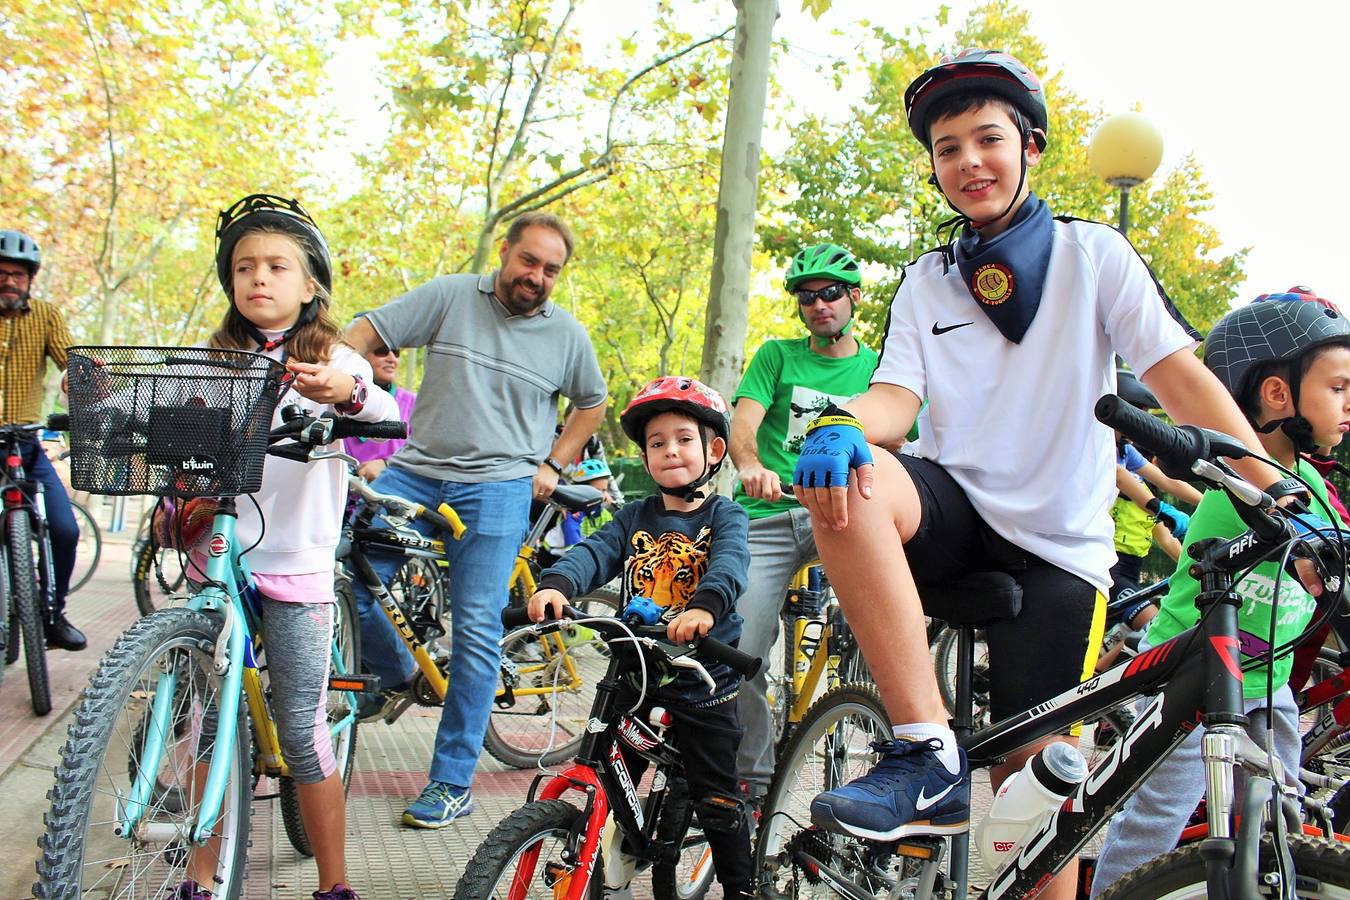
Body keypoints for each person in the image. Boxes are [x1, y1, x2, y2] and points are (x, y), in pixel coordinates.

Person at [789, 49, 1287, 899]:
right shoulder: (924, 281)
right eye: (947, 149)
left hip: (1062, 551)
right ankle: (924, 752)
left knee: (1041, 815)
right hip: (955, 508)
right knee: (847, 479)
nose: (968, 162)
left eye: (987, 139)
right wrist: (840, 423)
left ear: (1031, 146)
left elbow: (1181, 379)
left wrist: (1274, 488)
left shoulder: (1096, 254)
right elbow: (894, 403)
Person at [344, 211, 608, 829]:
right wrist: (333, 374)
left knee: (475, 630)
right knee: (351, 582)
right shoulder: (451, 296)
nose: (537, 276)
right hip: (416, 472)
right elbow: (367, 329)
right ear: (505, 253)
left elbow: (593, 403)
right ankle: (396, 669)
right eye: (529, 261)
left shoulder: (567, 336)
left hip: (498, 486)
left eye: (551, 269)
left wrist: (554, 462)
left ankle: (451, 781)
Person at [172, 194, 399, 900]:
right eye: (244, 267)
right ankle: (200, 881)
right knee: (207, 727)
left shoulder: (331, 358)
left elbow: (382, 408)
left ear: (310, 287)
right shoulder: (215, 360)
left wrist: (347, 392)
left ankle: (334, 884)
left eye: (276, 266)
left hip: (295, 563)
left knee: (302, 732)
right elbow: (162, 407)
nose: (258, 278)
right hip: (220, 557)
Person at [1090, 296, 1350, 895]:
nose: (1347, 404)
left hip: (1268, 681)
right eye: (1337, 387)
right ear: (1278, 395)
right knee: (1156, 818)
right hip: (1195, 678)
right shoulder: (1233, 485)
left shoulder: (1309, 483)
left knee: (1281, 810)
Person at [527, 376, 753, 900]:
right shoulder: (633, 517)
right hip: (635, 669)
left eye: (683, 438)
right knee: (609, 772)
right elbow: (595, 551)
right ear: (646, 457)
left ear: (714, 449)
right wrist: (557, 584)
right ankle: (607, 862)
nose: (670, 449)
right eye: (657, 443)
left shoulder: (725, 515)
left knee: (717, 797)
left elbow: (729, 567)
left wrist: (703, 607)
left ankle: (743, 887)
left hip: (704, 679)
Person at [728, 242, 878, 807]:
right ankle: (754, 780)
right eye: (807, 297)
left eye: (831, 293)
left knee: (884, 635)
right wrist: (750, 466)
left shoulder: (879, 369)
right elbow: (744, 425)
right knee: (736, 648)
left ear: (853, 298)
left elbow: (902, 439)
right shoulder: (776, 356)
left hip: (841, 515)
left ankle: (885, 757)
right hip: (769, 514)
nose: (819, 305)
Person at [0, 229, 86, 651]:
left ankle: (53, 614)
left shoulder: (46, 316)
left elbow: (70, 359)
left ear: (30, 279)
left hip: (25, 443)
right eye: (1, 273)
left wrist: (82, 379)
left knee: (66, 530)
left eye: (17, 274)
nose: (9, 281)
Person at [343, 314, 417, 482]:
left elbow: (430, 453)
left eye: (396, 352)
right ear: (359, 354)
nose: (391, 358)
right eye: (381, 351)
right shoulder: (335, 400)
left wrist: (388, 464)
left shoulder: (414, 404)